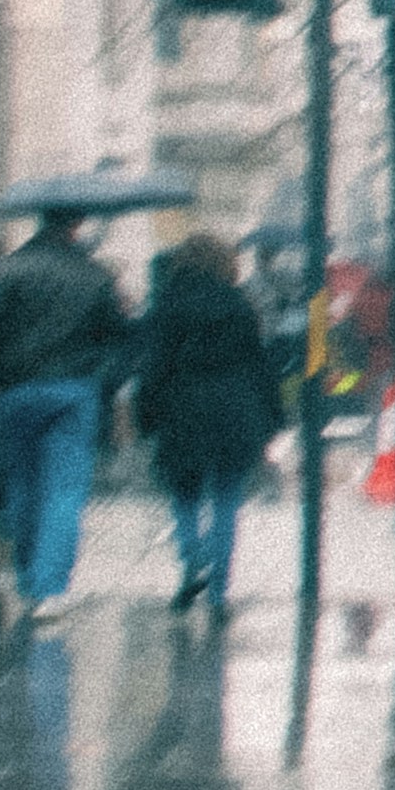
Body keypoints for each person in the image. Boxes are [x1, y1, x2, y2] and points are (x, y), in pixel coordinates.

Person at [0, 205, 131, 625]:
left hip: (13, 392)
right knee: (63, 492)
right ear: (76, 225)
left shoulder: (6, 270)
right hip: (73, 392)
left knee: (21, 482)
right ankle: (50, 587)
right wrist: (103, 378)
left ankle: (26, 575)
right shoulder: (94, 275)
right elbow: (122, 340)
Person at [129, 233, 283, 611]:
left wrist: (145, 413)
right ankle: (218, 591)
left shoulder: (166, 304)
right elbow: (257, 364)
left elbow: (154, 366)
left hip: (182, 409)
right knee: (227, 496)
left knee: (184, 493)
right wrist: (271, 417)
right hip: (234, 409)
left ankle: (192, 562)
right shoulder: (239, 304)